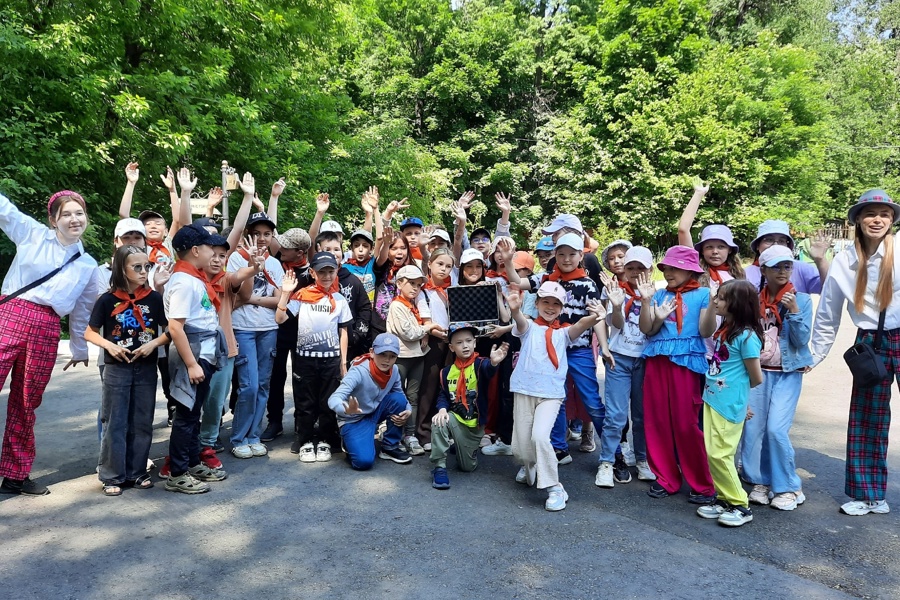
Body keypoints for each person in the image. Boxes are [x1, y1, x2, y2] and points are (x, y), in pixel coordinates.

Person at [0, 190, 100, 496]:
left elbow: (83, 310)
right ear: (53, 219)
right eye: (66, 214)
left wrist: (80, 349)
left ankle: (16, 475)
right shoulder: (32, 234)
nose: (74, 219)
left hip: (47, 326)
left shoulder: (88, 264)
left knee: (27, 400)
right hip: (10, 314)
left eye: (79, 213)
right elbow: (5, 208)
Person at [811, 189, 900, 516]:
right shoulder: (846, 261)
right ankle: (868, 494)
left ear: (891, 220)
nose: (877, 219)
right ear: (858, 220)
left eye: (884, 214)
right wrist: (816, 354)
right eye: (870, 214)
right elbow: (828, 311)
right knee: (868, 418)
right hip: (870, 343)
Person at [500, 233, 611, 477]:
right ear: (555, 255)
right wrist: (508, 261)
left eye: (572, 254)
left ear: (581, 256)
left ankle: (611, 456)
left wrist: (603, 346)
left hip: (577, 347)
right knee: (554, 400)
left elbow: (596, 317)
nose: (566, 258)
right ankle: (558, 449)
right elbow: (517, 281)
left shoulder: (587, 284)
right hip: (547, 344)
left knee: (591, 400)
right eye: (561, 253)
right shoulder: (547, 279)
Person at [507, 282, 605, 511]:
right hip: (524, 389)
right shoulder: (529, 327)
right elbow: (520, 322)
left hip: (550, 394)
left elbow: (581, 324)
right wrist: (514, 310)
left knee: (541, 437)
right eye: (546, 302)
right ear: (538, 303)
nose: (550, 307)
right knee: (521, 446)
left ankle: (554, 487)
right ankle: (529, 463)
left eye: (556, 304)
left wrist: (597, 317)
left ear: (561, 308)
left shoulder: (563, 333)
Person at [85, 245, 168, 496]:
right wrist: (109, 345)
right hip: (116, 368)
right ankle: (112, 474)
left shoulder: (154, 299)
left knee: (142, 421)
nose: (144, 272)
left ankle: (137, 470)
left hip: (145, 366)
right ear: (122, 269)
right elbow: (89, 331)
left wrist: (153, 343)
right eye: (138, 267)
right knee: (115, 421)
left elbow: (170, 330)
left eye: (147, 267)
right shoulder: (108, 299)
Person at [638, 246, 717, 502]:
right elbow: (648, 331)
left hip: (687, 364)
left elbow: (706, 332)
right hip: (657, 362)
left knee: (687, 424)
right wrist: (648, 303)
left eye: (675, 268)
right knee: (657, 421)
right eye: (666, 268)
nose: (669, 272)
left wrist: (713, 305)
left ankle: (703, 484)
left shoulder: (704, 294)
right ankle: (666, 478)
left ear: (690, 270)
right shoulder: (659, 294)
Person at [742, 244, 814, 512]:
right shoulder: (753, 300)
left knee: (775, 429)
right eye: (776, 267)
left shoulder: (801, 300)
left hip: (787, 373)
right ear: (763, 269)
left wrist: (793, 311)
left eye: (787, 266)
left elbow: (801, 340)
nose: (783, 271)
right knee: (753, 429)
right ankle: (760, 482)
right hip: (757, 373)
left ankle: (788, 487)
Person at [164, 223, 230, 494]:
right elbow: (176, 327)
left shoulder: (194, 278)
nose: (212, 252)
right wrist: (191, 364)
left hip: (203, 351)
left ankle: (191, 462)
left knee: (194, 413)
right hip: (193, 353)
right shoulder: (183, 282)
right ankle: (178, 472)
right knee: (186, 414)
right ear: (195, 250)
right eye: (208, 247)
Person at [695, 280, 763, 527]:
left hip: (728, 403)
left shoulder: (747, 337)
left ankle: (739, 505)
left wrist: (741, 400)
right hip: (713, 399)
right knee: (712, 452)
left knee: (721, 454)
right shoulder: (726, 330)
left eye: (721, 298)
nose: (716, 301)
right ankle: (724, 498)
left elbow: (756, 377)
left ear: (737, 304)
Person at [277, 253, 352, 463]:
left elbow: (343, 331)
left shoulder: (339, 299)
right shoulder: (301, 296)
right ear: (312, 273)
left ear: (336, 271)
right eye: (321, 272)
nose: (327, 276)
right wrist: (285, 294)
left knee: (327, 401)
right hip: (305, 359)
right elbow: (280, 318)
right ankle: (306, 440)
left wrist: (343, 362)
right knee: (305, 401)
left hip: (330, 359)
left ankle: (327, 440)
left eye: (331, 271)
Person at [596, 247, 657, 485]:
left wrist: (647, 300)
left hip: (644, 360)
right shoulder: (615, 290)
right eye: (630, 268)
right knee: (616, 415)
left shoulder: (657, 294)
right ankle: (606, 461)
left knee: (642, 416)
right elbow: (617, 324)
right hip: (619, 359)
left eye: (640, 268)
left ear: (650, 270)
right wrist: (618, 305)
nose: (635, 272)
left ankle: (642, 460)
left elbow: (651, 329)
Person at [227, 211, 284, 459]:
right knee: (248, 386)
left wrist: (256, 300)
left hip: (268, 329)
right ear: (248, 235)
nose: (262, 238)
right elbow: (238, 295)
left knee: (263, 384)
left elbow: (280, 299)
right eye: (257, 233)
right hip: (243, 328)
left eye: (267, 234)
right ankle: (239, 437)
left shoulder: (275, 264)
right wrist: (252, 267)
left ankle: (254, 435)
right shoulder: (236, 261)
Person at [430, 324, 508, 490]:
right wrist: (442, 409)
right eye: (459, 343)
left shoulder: (480, 365)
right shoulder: (446, 372)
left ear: (475, 343)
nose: (464, 345)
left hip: (474, 427)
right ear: (451, 347)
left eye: (468, 341)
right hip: (456, 419)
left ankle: (459, 447)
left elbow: (489, 370)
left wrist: (494, 363)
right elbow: (443, 395)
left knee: (467, 467)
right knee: (439, 420)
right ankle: (439, 467)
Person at [327, 333, 414, 470]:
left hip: (375, 412)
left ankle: (389, 446)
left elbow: (400, 394)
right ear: (372, 352)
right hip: (354, 418)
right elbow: (333, 398)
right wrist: (346, 409)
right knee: (364, 462)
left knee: (398, 400)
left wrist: (408, 410)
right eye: (382, 354)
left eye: (392, 356)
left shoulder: (394, 370)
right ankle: (350, 441)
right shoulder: (358, 371)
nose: (387, 360)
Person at [386, 264, 445, 455]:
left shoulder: (413, 305)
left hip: (417, 356)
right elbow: (409, 333)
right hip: (401, 357)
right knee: (396, 396)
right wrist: (428, 328)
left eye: (418, 285)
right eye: (411, 283)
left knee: (413, 396)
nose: (415, 288)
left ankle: (410, 435)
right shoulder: (397, 305)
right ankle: (393, 435)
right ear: (399, 283)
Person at [262, 227, 313, 442]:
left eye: (286, 246)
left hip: (303, 334)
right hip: (278, 330)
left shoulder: (312, 273)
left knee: (302, 379)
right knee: (275, 377)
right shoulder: (277, 264)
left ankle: (303, 423)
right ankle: (274, 421)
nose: (280, 247)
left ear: (300, 252)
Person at [676, 178, 745, 291]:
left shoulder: (739, 275)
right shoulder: (695, 268)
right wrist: (699, 194)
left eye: (721, 247)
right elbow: (683, 230)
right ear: (702, 250)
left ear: (730, 250)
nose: (715, 251)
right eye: (709, 247)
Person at [418, 248, 455, 450]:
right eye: (440, 264)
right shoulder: (424, 290)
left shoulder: (452, 290)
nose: (444, 269)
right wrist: (433, 331)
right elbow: (425, 318)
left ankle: (441, 430)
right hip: (432, 341)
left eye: (448, 266)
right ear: (429, 264)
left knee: (445, 386)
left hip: (451, 342)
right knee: (428, 386)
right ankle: (423, 432)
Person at [745, 220, 829, 293]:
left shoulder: (801, 269)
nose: (775, 244)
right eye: (769, 240)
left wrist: (820, 259)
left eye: (781, 241)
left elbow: (828, 289)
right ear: (757, 245)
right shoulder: (746, 274)